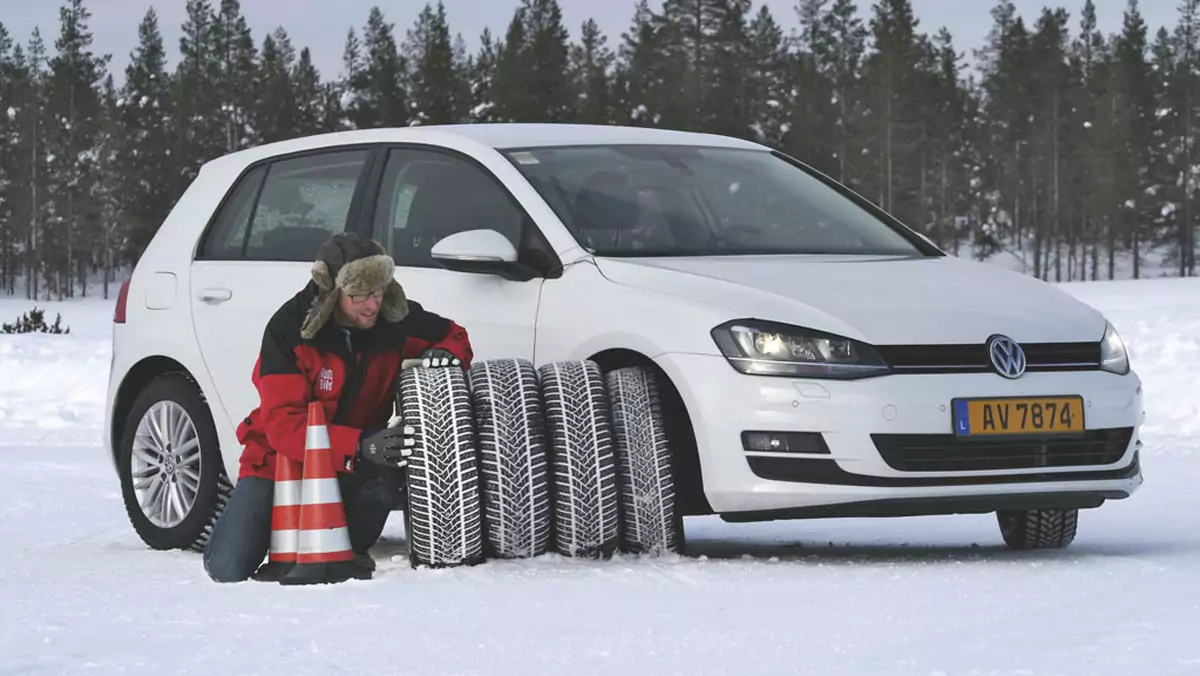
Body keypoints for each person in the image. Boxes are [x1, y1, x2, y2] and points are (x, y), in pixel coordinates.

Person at [202, 232, 473, 583]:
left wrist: (448, 354)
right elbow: (284, 427)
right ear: (332, 292)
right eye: (359, 294)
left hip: (357, 465)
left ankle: (344, 541)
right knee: (228, 568)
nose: (372, 305)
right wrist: (358, 444)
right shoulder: (288, 331)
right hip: (280, 463)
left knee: (382, 484)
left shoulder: (395, 319)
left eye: (377, 292)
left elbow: (455, 335)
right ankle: (259, 525)